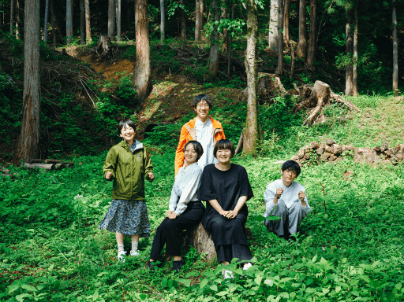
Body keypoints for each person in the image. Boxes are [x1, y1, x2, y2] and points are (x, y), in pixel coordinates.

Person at [99, 119, 155, 262]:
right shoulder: (116, 149)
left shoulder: (142, 148)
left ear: (135, 131)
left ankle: (134, 250)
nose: (128, 131)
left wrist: (149, 174)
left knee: (136, 221)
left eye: (130, 128)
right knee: (120, 222)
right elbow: (108, 166)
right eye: (124, 129)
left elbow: (148, 165)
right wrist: (108, 174)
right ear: (120, 134)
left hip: (137, 192)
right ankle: (121, 251)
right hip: (121, 192)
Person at [198, 139, 254, 279]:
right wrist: (222, 211)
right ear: (215, 153)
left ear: (232, 152)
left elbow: (244, 193)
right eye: (220, 150)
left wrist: (235, 211)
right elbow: (208, 195)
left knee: (236, 223)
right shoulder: (209, 170)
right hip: (214, 211)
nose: (223, 153)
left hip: (237, 209)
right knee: (219, 223)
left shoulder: (240, 170)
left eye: (226, 150)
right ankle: (226, 263)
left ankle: (245, 262)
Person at [149, 141, 205, 272]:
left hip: (194, 208)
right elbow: (175, 191)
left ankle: (177, 259)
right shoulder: (181, 169)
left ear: (198, 155)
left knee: (171, 224)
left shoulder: (197, 170)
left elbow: (187, 193)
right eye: (187, 150)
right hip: (181, 206)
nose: (189, 153)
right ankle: (153, 259)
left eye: (193, 151)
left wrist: (177, 212)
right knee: (162, 227)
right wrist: (171, 209)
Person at [174, 94, 225, 175]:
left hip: (214, 170)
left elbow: (224, 148)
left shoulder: (217, 126)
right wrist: (178, 173)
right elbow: (180, 151)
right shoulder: (187, 127)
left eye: (206, 105)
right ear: (195, 108)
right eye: (199, 105)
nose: (203, 108)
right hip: (194, 171)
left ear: (209, 107)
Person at [263, 160, 311, 239]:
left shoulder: (300, 188)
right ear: (282, 171)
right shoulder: (272, 186)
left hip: (290, 222)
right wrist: (276, 197)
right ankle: (280, 234)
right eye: (288, 171)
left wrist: (302, 201)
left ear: (296, 175)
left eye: (294, 172)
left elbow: (306, 211)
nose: (290, 174)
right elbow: (269, 210)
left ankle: (292, 235)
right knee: (280, 203)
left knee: (298, 205)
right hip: (274, 221)